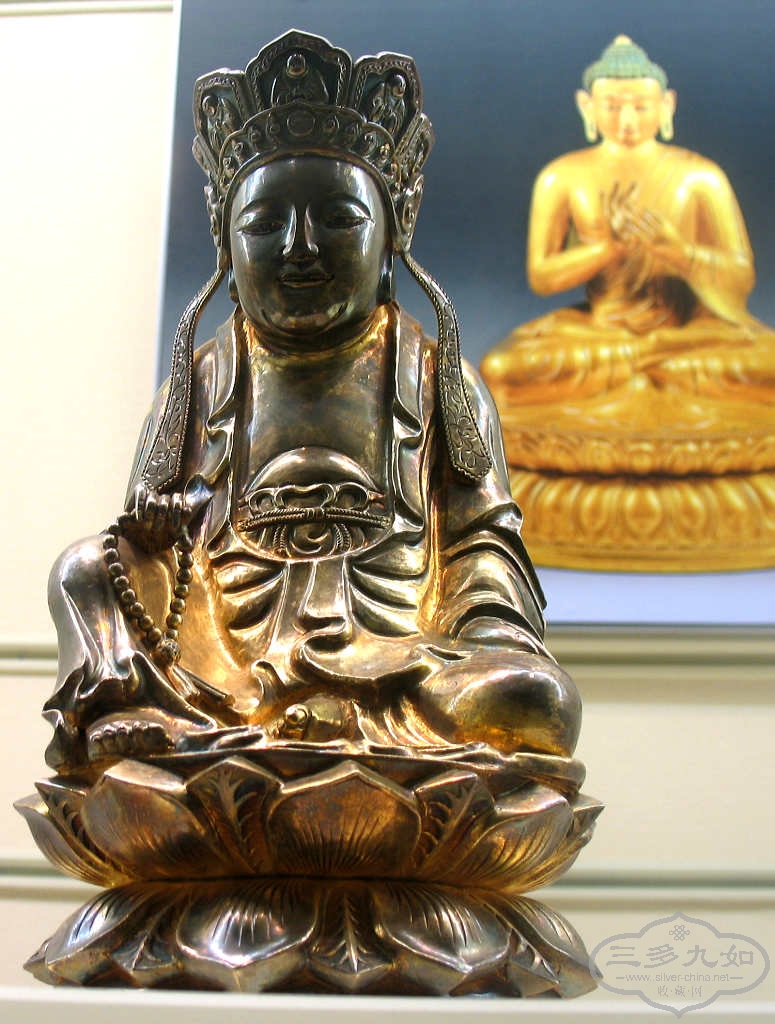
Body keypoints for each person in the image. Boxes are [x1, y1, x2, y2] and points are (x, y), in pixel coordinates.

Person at [44, 31, 580, 773]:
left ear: (393, 233)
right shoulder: (196, 383)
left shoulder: (436, 378)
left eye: (338, 218)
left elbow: (481, 545)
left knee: (531, 699)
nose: (300, 246)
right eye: (265, 225)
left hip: (395, 657)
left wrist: (483, 638)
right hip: (220, 662)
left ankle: (250, 739)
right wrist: (157, 531)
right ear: (226, 244)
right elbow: (147, 548)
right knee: (82, 570)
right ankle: (152, 711)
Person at [481, 36, 775, 570]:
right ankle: (653, 370)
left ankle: (651, 367)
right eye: (614, 106)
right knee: (502, 373)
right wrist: (609, 249)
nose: (628, 119)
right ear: (587, 107)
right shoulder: (564, 175)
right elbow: (543, 275)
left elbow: (739, 275)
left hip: (690, 333)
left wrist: (677, 252)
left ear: (667, 106)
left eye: (641, 106)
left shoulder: (699, 176)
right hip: (601, 332)